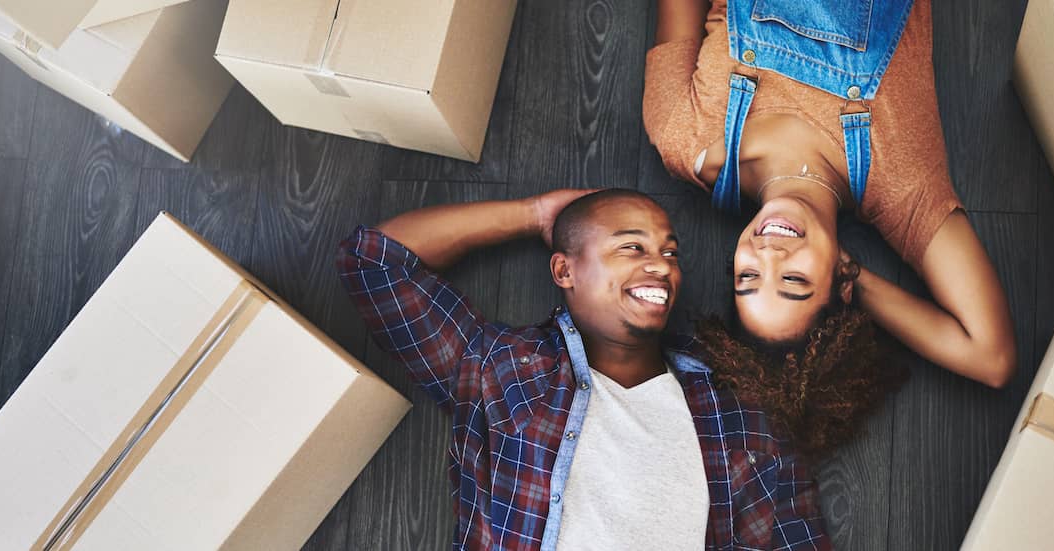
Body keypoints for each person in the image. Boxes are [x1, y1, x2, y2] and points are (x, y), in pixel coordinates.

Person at [337, 188, 832, 550]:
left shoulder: (733, 400)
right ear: (564, 271)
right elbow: (375, 261)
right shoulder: (505, 368)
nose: (660, 265)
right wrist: (532, 215)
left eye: (669, 252)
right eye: (631, 247)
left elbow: (793, 531)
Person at [643, 0, 1017, 404]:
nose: (769, 254)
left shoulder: (682, 136)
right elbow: (990, 357)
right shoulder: (901, 184)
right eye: (794, 280)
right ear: (840, 287)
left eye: (747, 277)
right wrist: (854, 276)